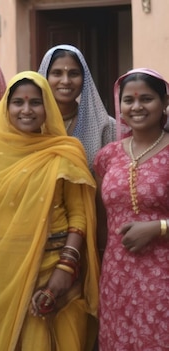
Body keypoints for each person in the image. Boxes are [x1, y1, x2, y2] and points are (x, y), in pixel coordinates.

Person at [0, 71, 100, 351]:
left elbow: (78, 213)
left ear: (48, 108)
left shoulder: (64, 150)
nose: (26, 110)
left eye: (35, 103)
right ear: (6, 108)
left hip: (58, 269)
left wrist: (66, 268)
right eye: (18, 102)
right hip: (5, 273)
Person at [94, 68, 169, 350]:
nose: (136, 107)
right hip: (117, 276)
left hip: (162, 276)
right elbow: (102, 218)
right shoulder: (108, 156)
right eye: (129, 100)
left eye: (146, 99)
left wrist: (158, 227)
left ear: (164, 102)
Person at [38, 44, 115, 168]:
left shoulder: (105, 126)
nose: (66, 81)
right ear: (44, 78)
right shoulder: (33, 124)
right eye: (57, 73)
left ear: (84, 79)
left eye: (73, 74)